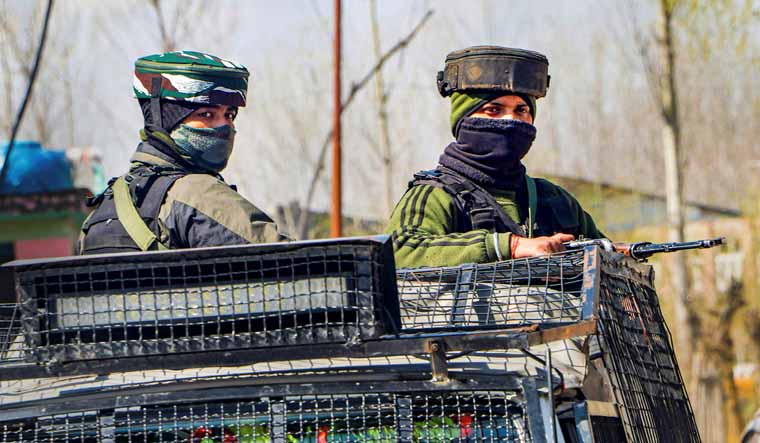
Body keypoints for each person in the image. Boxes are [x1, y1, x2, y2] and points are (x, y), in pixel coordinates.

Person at [386, 46, 604, 268]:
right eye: (493, 110)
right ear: (464, 118)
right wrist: (510, 246)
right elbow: (398, 249)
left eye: (521, 111)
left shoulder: (556, 201)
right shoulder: (435, 195)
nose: (510, 121)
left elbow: (607, 260)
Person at [78, 51, 286, 254]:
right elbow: (293, 263)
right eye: (207, 114)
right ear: (167, 121)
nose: (224, 126)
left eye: (229, 115)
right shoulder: (198, 194)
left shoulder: (104, 207)